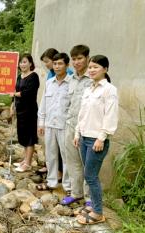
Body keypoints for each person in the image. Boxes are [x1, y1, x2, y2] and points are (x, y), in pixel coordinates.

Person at [74, 55, 118, 225]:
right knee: (89, 174)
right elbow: (82, 114)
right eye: (90, 67)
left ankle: (98, 212)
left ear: (105, 69)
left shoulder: (109, 90)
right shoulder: (88, 89)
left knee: (91, 176)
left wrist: (102, 137)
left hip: (96, 140)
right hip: (84, 137)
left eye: (96, 67)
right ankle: (93, 206)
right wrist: (77, 134)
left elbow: (111, 115)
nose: (91, 70)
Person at [61, 45, 92, 206]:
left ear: (87, 58)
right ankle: (76, 193)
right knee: (72, 161)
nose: (76, 62)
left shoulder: (94, 78)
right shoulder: (71, 79)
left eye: (79, 58)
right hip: (70, 125)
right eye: (74, 59)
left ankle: (89, 198)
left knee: (87, 164)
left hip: (86, 129)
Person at [37, 53, 71, 192]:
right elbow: (43, 104)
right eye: (55, 63)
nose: (57, 66)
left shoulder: (72, 83)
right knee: (50, 155)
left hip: (65, 126)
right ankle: (51, 182)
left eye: (60, 64)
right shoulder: (49, 83)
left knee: (66, 157)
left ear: (67, 65)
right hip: (50, 124)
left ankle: (68, 186)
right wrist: (41, 123)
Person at [10, 53, 40, 172]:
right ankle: (24, 160)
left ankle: (27, 164)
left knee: (29, 137)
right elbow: (15, 92)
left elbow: (29, 93)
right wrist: (12, 106)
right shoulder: (19, 76)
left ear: (30, 63)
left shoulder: (34, 76)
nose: (23, 64)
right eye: (21, 62)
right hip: (20, 110)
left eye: (25, 62)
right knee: (22, 136)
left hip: (30, 111)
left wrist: (15, 94)